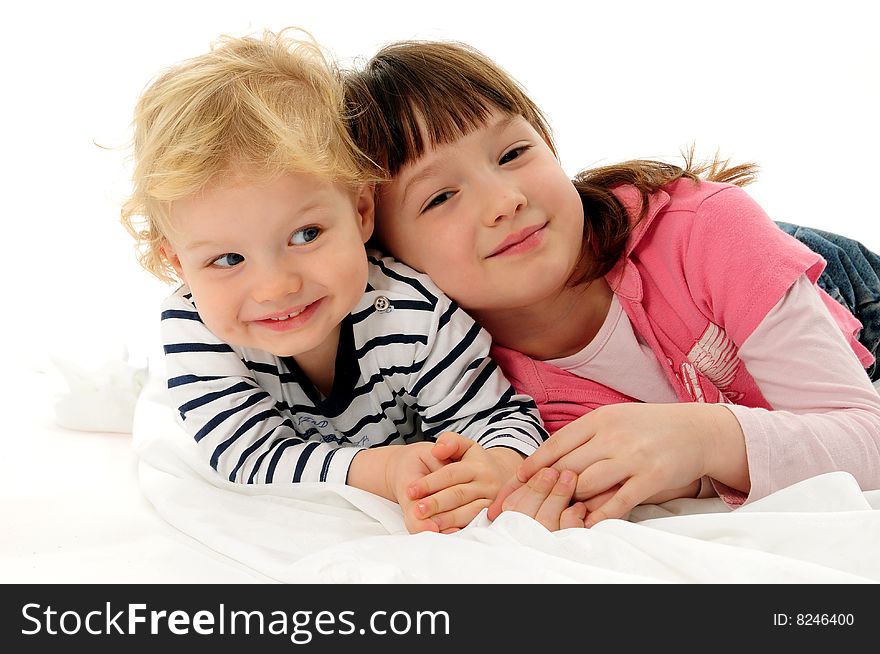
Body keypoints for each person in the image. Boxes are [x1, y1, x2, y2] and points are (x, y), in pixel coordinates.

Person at [343, 39, 880, 532]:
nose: (504, 200)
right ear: (386, 258)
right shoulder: (474, 392)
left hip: (835, 291)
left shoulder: (709, 232)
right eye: (440, 197)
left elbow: (867, 440)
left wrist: (704, 437)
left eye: (512, 154)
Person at [119, 29, 549, 535]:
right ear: (178, 265)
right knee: (151, 400)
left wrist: (493, 462)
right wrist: (380, 471)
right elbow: (244, 451)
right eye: (227, 259)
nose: (276, 286)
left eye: (306, 234)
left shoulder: (413, 311)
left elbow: (501, 415)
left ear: (362, 212)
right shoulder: (197, 327)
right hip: (231, 405)